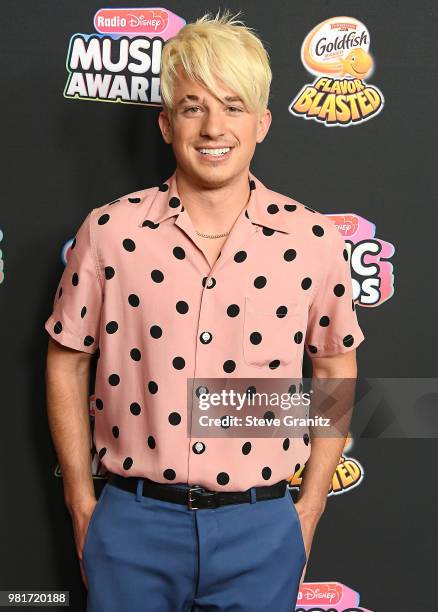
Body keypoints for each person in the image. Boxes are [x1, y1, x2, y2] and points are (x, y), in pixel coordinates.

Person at [44, 9, 365, 612]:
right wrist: (83, 506)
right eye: (194, 106)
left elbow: (334, 370)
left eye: (233, 106)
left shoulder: (314, 239)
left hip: (261, 529)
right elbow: (66, 362)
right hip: (132, 526)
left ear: (264, 123)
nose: (214, 125)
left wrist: (310, 507)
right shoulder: (111, 232)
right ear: (166, 124)